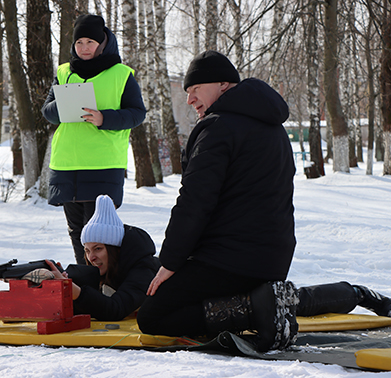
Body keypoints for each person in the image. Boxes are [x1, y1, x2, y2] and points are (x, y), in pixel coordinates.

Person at [136, 50, 300, 352]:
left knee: (153, 316)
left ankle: (256, 309)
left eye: (195, 89)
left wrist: (170, 263)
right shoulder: (274, 129)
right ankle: (263, 299)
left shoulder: (218, 127)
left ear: (223, 84)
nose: (190, 99)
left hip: (231, 260)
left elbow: (195, 202)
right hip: (274, 259)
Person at [41, 14, 146, 265]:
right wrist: (64, 107)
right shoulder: (65, 72)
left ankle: (103, 290)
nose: (84, 47)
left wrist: (104, 119)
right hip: (67, 164)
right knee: (77, 233)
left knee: (98, 236)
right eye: (79, 42)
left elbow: (136, 114)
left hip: (103, 164)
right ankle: (85, 286)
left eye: (90, 41)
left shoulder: (122, 74)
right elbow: (47, 111)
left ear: (103, 43)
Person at [44, 195, 159, 321]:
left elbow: (115, 309)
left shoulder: (143, 269)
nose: (91, 257)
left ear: (115, 249)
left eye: (98, 249)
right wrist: (63, 291)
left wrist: (76, 292)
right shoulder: (104, 270)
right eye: (87, 251)